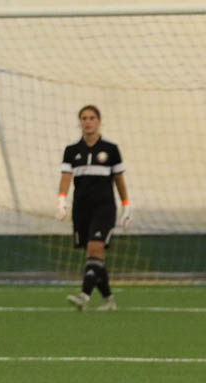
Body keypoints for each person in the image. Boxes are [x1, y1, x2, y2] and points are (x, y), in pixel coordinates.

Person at [57, 105, 132, 311]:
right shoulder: (71, 151)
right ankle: (109, 300)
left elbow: (119, 179)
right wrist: (61, 200)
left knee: (95, 247)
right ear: (79, 122)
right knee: (93, 255)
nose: (88, 122)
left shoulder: (111, 149)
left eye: (92, 118)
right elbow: (66, 177)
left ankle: (84, 295)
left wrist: (126, 205)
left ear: (99, 121)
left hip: (104, 208)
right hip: (81, 209)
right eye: (84, 118)